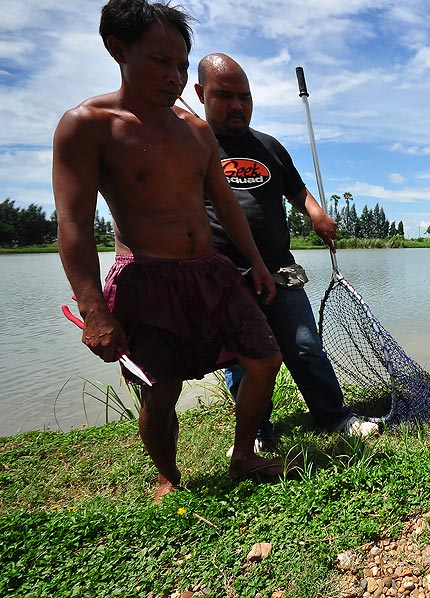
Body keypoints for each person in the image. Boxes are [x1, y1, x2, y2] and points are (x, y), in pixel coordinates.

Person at [52, 0, 287, 503]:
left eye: (182, 64)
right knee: (161, 391)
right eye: (162, 62)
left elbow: (228, 208)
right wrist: (94, 311)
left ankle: (242, 454)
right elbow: (72, 225)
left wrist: (260, 265)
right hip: (146, 278)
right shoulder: (89, 125)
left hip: (212, 273)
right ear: (118, 48)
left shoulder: (195, 130)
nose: (175, 76)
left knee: (265, 358)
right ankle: (168, 475)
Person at [193, 53, 379, 446]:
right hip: (226, 275)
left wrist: (316, 213)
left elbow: (298, 192)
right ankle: (258, 431)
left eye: (245, 96)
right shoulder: (193, 147)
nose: (238, 105)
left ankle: (333, 415)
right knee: (244, 362)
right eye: (225, 96)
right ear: (200, 94)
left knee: (306, 345)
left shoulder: (269, 146)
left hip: (280, 268)